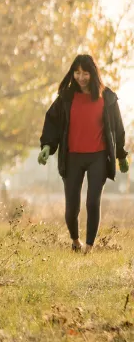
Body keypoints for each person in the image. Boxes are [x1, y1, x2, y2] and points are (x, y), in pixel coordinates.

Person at [38, 54, 128, 253]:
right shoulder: (66, 98)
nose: (81, 77)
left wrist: (121, 154)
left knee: (92, 201)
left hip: (98, 156)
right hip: (72, 157)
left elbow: (117, 128)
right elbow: (52, 121)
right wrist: (47, 146)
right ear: (73, 73)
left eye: (85, 73)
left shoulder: (107, 97)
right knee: (72, 207)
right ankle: (75, 241)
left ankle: (89, 246)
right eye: (77, 73)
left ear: (93, 74)